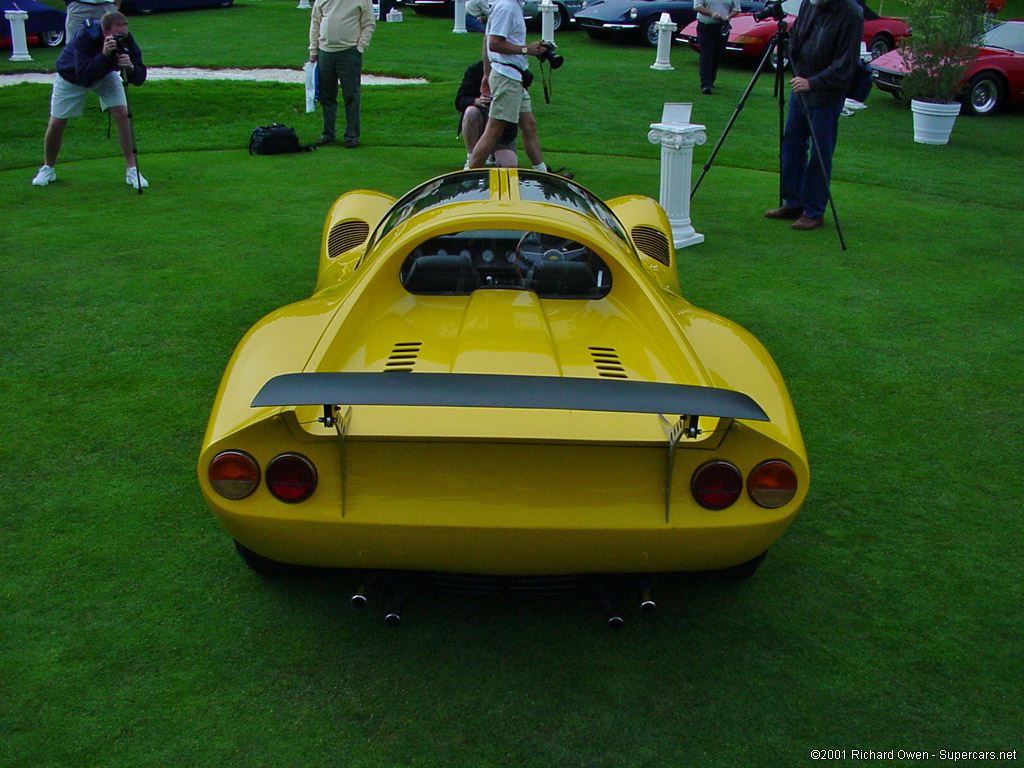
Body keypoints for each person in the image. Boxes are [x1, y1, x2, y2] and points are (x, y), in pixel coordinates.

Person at [764, 0, 863, 231]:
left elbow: (845, 65)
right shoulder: (810, 5)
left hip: (825, 94)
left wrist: (813, 83)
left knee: (820, 152)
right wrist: (787, 47)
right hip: (801, 87)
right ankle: (793, 202)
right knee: (792, 145)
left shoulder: (850, 14)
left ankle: (814, 211)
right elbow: (798, 34)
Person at [32, 11, 147, 189]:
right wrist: (104, 55)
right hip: (72, 77)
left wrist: (130, 67)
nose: (121, 38)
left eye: (124, 34)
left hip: (104, 75)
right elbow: (84, 76)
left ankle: (132, 169)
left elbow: (139, 78)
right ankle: (48, 167)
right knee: (57, 122)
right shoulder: (85, 36)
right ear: (104, 31)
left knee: (123, 113)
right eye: (117, 35)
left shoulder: (126, 39)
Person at [467, 0, 553, 172]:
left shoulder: (511, 6)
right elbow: (494, 43)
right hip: (507, 78)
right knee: (494, 130)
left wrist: (486, 74)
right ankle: (467, 176)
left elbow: (487, 42)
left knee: (529, 125)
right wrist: (526, 50)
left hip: (514, 77)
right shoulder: (507, 7)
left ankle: (543, 174)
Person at [309, 0, 375, 148]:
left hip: (349, 52)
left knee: (351, 95)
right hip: (325, 52)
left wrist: (360, 47)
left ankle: (352, 136)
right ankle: (328, 134)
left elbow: (369, 23)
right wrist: (313, 49)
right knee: (327, 96)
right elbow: (315, 22)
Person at [456, 60, 518, 169]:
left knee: (509, 164)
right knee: (471, 112)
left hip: (501, 129)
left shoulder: (510, 71)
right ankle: (471, 156)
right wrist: (476, 101)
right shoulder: (475, 69)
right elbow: (460, 101)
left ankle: (491, 153)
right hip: (480, 121)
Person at [694, 0, 740, 95]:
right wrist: (711, 13)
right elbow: (697, 6)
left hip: (722, 26)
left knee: (717, 54)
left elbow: (736, 9)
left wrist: (728, 16)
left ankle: (711, 80)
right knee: (706, 55)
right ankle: (705, 84)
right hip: (706, 26)